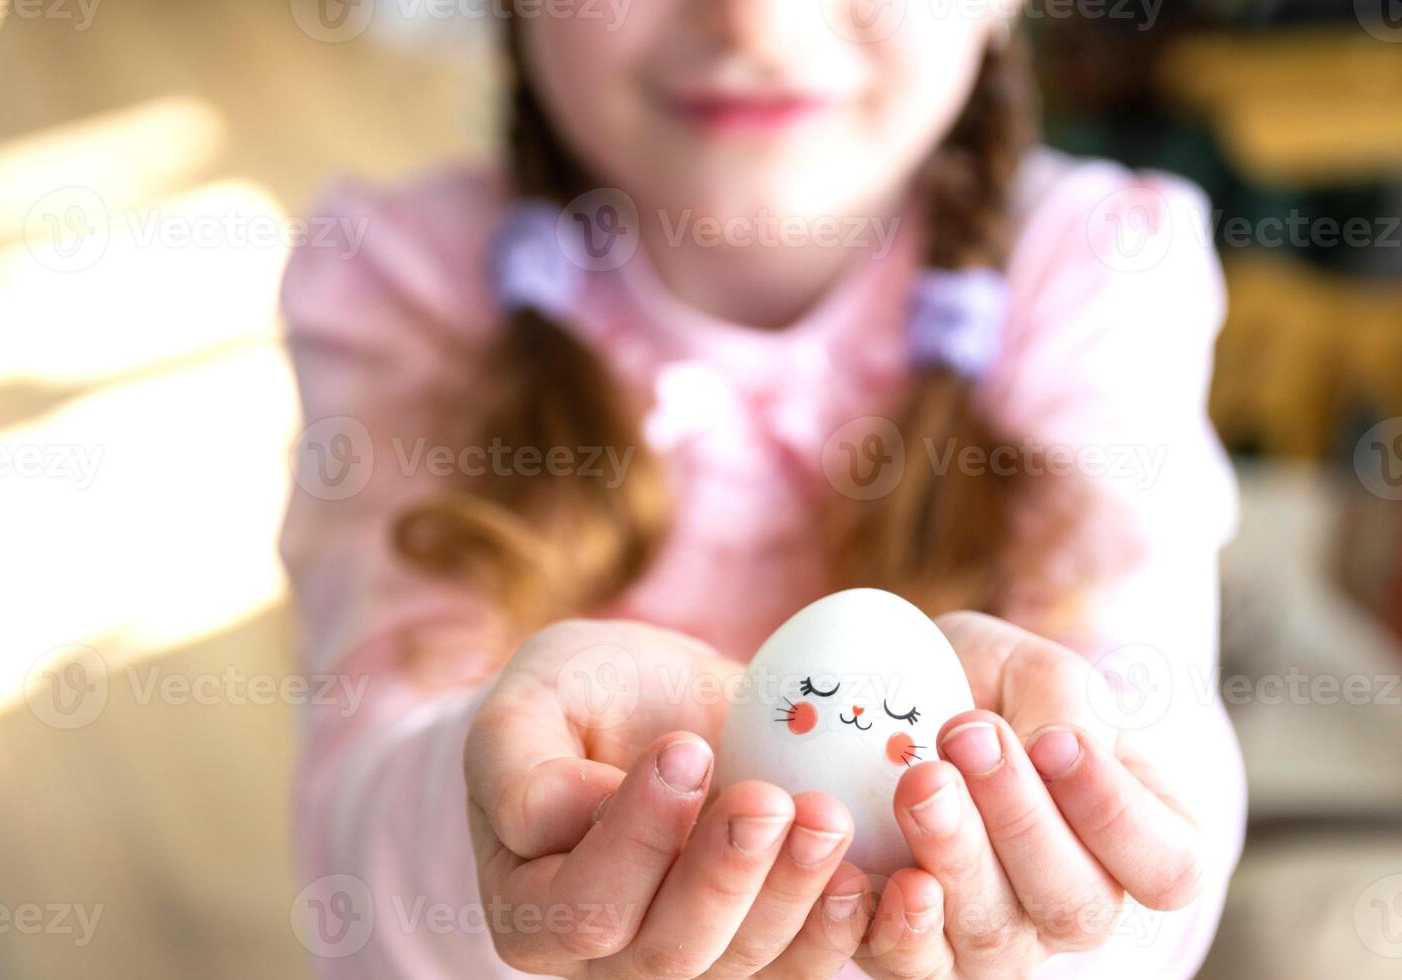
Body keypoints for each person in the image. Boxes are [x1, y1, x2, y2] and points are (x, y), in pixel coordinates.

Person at [281, 2, 1245, 976]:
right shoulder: (407, 277)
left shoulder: (1101, 267)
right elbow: (362, 876)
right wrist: (500, 821)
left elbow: (1163, 812)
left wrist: (1055, 902)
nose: (752, 21)